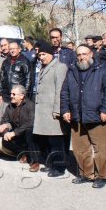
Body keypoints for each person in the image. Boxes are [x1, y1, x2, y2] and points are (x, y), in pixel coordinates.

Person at [61, 44, 106, 188]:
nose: (81, 57)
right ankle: (86, 174)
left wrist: (105, 110)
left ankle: (101, 176)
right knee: (80, 148)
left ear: (91, 54)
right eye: (78, 55)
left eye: (84, 54)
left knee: (100, 148)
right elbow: (65, 91)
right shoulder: (72, 70)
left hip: (96, 115)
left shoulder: (102, 69)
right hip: (77, 115)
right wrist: (65, 110)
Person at [31, 42, 68, 177]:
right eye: (39, 54)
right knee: (47, 140)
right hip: (43, 111)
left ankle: (59, 167)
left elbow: (60, 90)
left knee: (56, 141)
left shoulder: (60, 67)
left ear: (51, 54)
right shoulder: (44, 67)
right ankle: (51, 164)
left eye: (43, 54)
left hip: (53, 111)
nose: (41, 57)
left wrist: (57, 110)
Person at [0, 85, 34, 162]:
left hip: (26, 135)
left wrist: (14, 133)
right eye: (11, 94)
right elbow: (4, 121)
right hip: (16, 136)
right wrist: (6, 132)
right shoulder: (10, 106)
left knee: (29, 131)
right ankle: (22, 153)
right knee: (3, 140)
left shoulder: (29, 105)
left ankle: (34, 160)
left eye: (14, 94)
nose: (11, 96)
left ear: (21, 96)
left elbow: (30, 123)